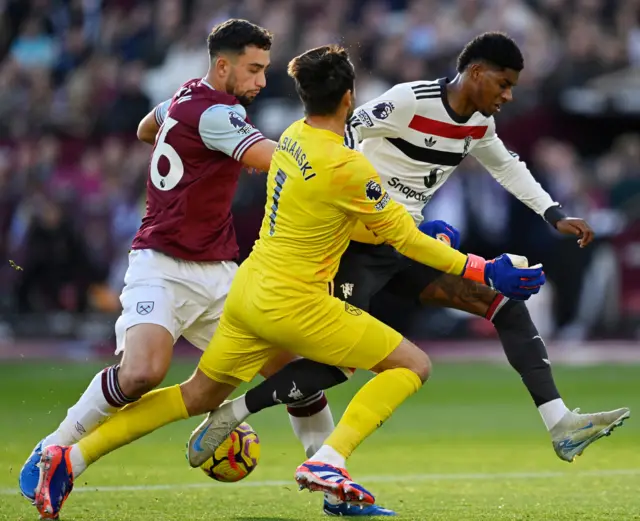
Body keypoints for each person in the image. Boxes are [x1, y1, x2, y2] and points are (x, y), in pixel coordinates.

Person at [32, 44, 545, 519]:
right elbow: (405, 243)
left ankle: (69, 459)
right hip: (294, 302)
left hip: (249, 289)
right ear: (349, 98)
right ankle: (329, 461)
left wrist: (411, 228)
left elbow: (369, 221)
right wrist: (483, 269)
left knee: (196, 395)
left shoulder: (293, 141)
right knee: (411, 364)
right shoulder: (347, 166)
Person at [190, 33, 630, 473]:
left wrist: (553, 214)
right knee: (338, 367)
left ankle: (560, 425)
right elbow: (343, 131)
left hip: (404, 245)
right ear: (476, 72)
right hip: (356, 246)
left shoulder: (478, 125)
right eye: (503, 83)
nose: (508, 95)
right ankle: (237, 412)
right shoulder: (408, 100)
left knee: (503, 306)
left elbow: (508, 167)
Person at [18, 18, 341, 516]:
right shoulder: (217, 113)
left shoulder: (186, 97)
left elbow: (149, 127)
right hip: (161, 265)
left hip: (218, 273)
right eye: (253, 71)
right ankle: (54, 448)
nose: (260, 82)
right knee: (142, 373)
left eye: (264, 71)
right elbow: (271, 160)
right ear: (223, 65)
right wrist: (331, 162)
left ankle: (328, 473)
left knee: (294, 370)